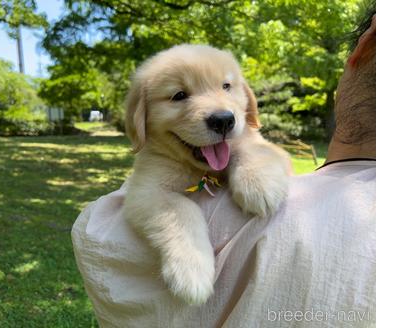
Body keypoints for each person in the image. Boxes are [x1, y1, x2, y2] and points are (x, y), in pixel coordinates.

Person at [71, 8, 376, 328]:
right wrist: (181, 240)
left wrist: (252, 160)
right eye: (179, 95)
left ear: (247, 98)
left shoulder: (247, 140)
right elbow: (145, 197)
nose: (219, 111)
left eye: (227, 86)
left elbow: (274, 160)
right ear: (141, 116)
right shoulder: (159, 158)